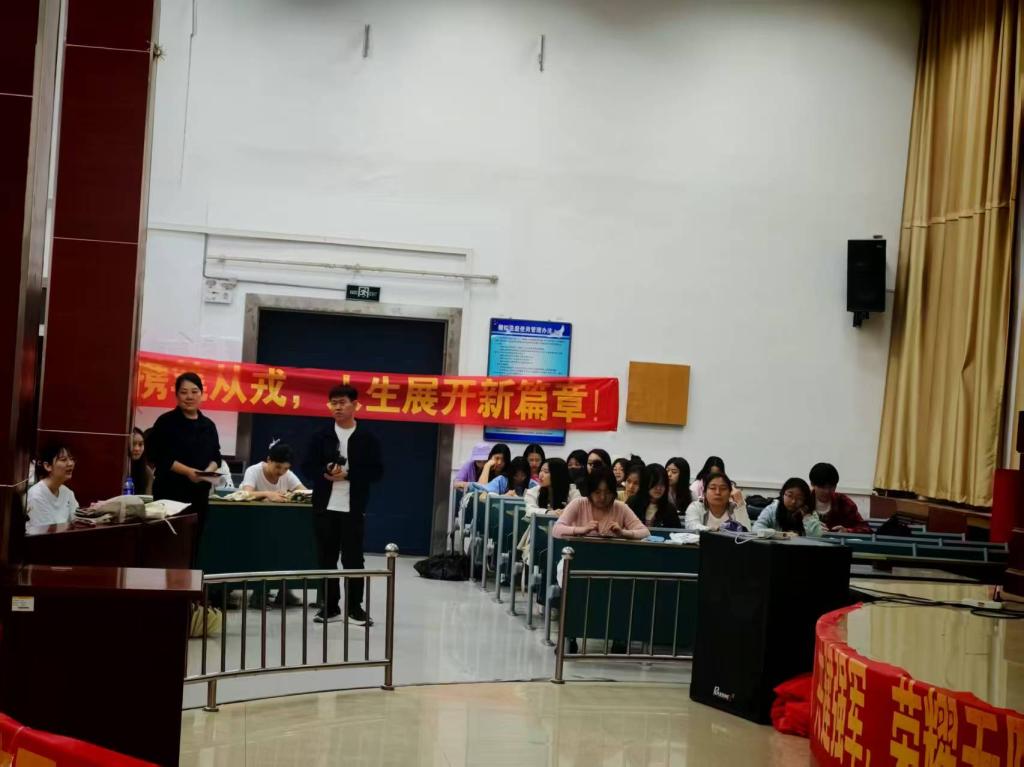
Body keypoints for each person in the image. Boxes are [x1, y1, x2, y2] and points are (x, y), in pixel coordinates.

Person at [303, 383, 383, 625]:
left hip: (353, 507)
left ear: (355, 405)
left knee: (353, 559)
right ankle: (330, 606)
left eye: (342, 403)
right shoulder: (321, 436)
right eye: (333, 403)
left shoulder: (367, 437)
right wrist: (325, 471)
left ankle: (355, 608)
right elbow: (307, 466)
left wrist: (348, 474)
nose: (337, 407)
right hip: (324, 506)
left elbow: (377, 471)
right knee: (326, 557)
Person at [147, 372, 223, 548]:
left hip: (199, 496)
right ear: (176, 395)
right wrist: (189, 472)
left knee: (194, 544)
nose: (189, 397)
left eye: (194, 391)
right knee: (169, 546)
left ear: (201, 394)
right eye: (184, 392)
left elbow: (216, 456)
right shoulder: (166, 422)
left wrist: (207, 472)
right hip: (170, 495)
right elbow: (158, 455)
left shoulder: (208, 425)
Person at [553, 464, 650, 540]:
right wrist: (582, 529)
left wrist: (623, 533)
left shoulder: (621, 507)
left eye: (608, 493)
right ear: (590, 492)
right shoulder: (578, 504)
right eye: (597, 492)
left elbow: (645, 533)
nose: (602, 497)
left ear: (613, 493)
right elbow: (556, 530)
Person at [520, 458, 581, 566]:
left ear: (558, 474)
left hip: (564, 536)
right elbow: (530, 510)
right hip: (539, 535)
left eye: (546, 472)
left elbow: (578, 509)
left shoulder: (572, 491)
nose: (541, 475)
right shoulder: (533, 491)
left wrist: (565, 512)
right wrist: (549, 513)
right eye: (541, 471)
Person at [26, 444, 78, 530]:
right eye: (63, 460)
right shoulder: (36, 495)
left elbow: (78, 522)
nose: (71, 463)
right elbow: (46, 533)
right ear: (48, 466)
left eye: (71, 459)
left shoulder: (68, 493)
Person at [809, 462, 870, 533]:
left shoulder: (843, 502)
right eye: (822, 487)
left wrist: (847, 531)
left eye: (831, 487)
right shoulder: (804, 500)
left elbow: (865, 528)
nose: (827, 491)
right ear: (812, 484)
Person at [753, 478, 822, 537]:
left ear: (805, 500)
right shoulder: (772, 509)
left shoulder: (809, 513)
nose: (793, 501)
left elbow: (817, 536)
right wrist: (781, 535)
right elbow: (756, 529)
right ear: (783, 494)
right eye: (789, 495)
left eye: (799, 498)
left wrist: (807, 517)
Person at [684, 471, 751, 532]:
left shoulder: (734, 508)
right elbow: (692, 527)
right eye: (712, 488)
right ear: (705, 493)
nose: (718, 492)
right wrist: (717, 530)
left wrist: (740, 504)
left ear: (730, 493)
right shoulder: (696, 507)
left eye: (723, 488)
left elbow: (747, 532)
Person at [241, 442, 308, 501]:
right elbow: (245, 494)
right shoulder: (253, 471)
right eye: (278, 467)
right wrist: (267, 494)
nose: (281, 472)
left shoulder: (288, 474)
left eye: (286, 468)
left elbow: (306, 493)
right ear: (268, 460)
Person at [627, 463, 681, 528]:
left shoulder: (669, 509)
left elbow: (676, 532)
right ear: (646, 483)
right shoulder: (633, 503)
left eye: (662, 484)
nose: (659, 488)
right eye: (655, 484)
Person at [129, 427, 153, 496]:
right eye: (133, 444)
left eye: (140, 444)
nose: (137, 449)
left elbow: (147, 499)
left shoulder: (147, 472)